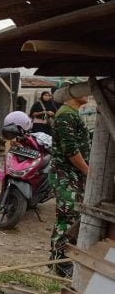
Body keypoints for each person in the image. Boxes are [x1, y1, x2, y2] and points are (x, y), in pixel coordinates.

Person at [49, 89, 90, 277]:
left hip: (71, 175)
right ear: (70, 95)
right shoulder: (65, 115)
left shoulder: (71, 114)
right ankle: (60, 262)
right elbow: (71, 150)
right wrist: (87, 171)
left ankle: (59, 261)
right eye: (82, 90)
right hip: (66, 175)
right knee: (67, 218)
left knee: (71, 217)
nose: (87, 94)